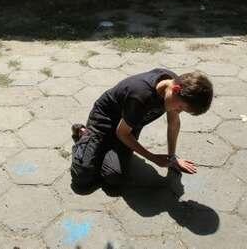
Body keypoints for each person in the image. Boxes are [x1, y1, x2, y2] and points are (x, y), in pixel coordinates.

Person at [70, 68, 213, 190]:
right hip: (104, 122)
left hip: (129, 125)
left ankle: (101, 148)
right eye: (180, 107)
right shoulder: (141, 96)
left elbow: (173, 123)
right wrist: (153, 158)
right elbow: (122, 133)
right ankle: (84, 134)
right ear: (175, 90)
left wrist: (172, 158)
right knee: (82, 176)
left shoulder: (174, 88)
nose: (179, 111)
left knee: (114, 177)